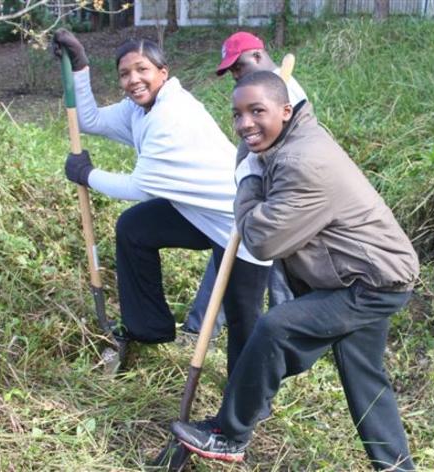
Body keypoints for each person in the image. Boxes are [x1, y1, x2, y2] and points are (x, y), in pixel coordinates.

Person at [171, 71, 419, 470]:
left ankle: (229, 435)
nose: (245, 124)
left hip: (371, 282)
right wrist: (251, 162)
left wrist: (248, 179)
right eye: (237, 115)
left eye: (257, 111)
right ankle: (396, 467)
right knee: (364, 379)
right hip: (360, 274)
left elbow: (263, 240)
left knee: (276, 328)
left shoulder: (303, 161)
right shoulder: (284, 142)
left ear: (286, 111)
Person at [52, 30, 271, 376]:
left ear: (163, 73)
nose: (133, 80)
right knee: (135, 228)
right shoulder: (139, 110)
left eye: (142, 70)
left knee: (243, 318)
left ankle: (248, 401)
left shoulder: (172, 116)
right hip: (195, 211)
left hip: (241, 223)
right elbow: (88, 121)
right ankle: (148, 328)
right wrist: (80, 66)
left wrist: (86, 174)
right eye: (125, 73)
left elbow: (140, 186)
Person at [184, 31, 307, 333]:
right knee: (235, 252)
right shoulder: (260, 91)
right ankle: (201, 327)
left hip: (278, 195)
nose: (236, 76)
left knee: (276, 270)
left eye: (238, 67)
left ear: (256, 56)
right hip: (255, 192)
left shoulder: (286, 93)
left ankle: (283, 336)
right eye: (232, 72)